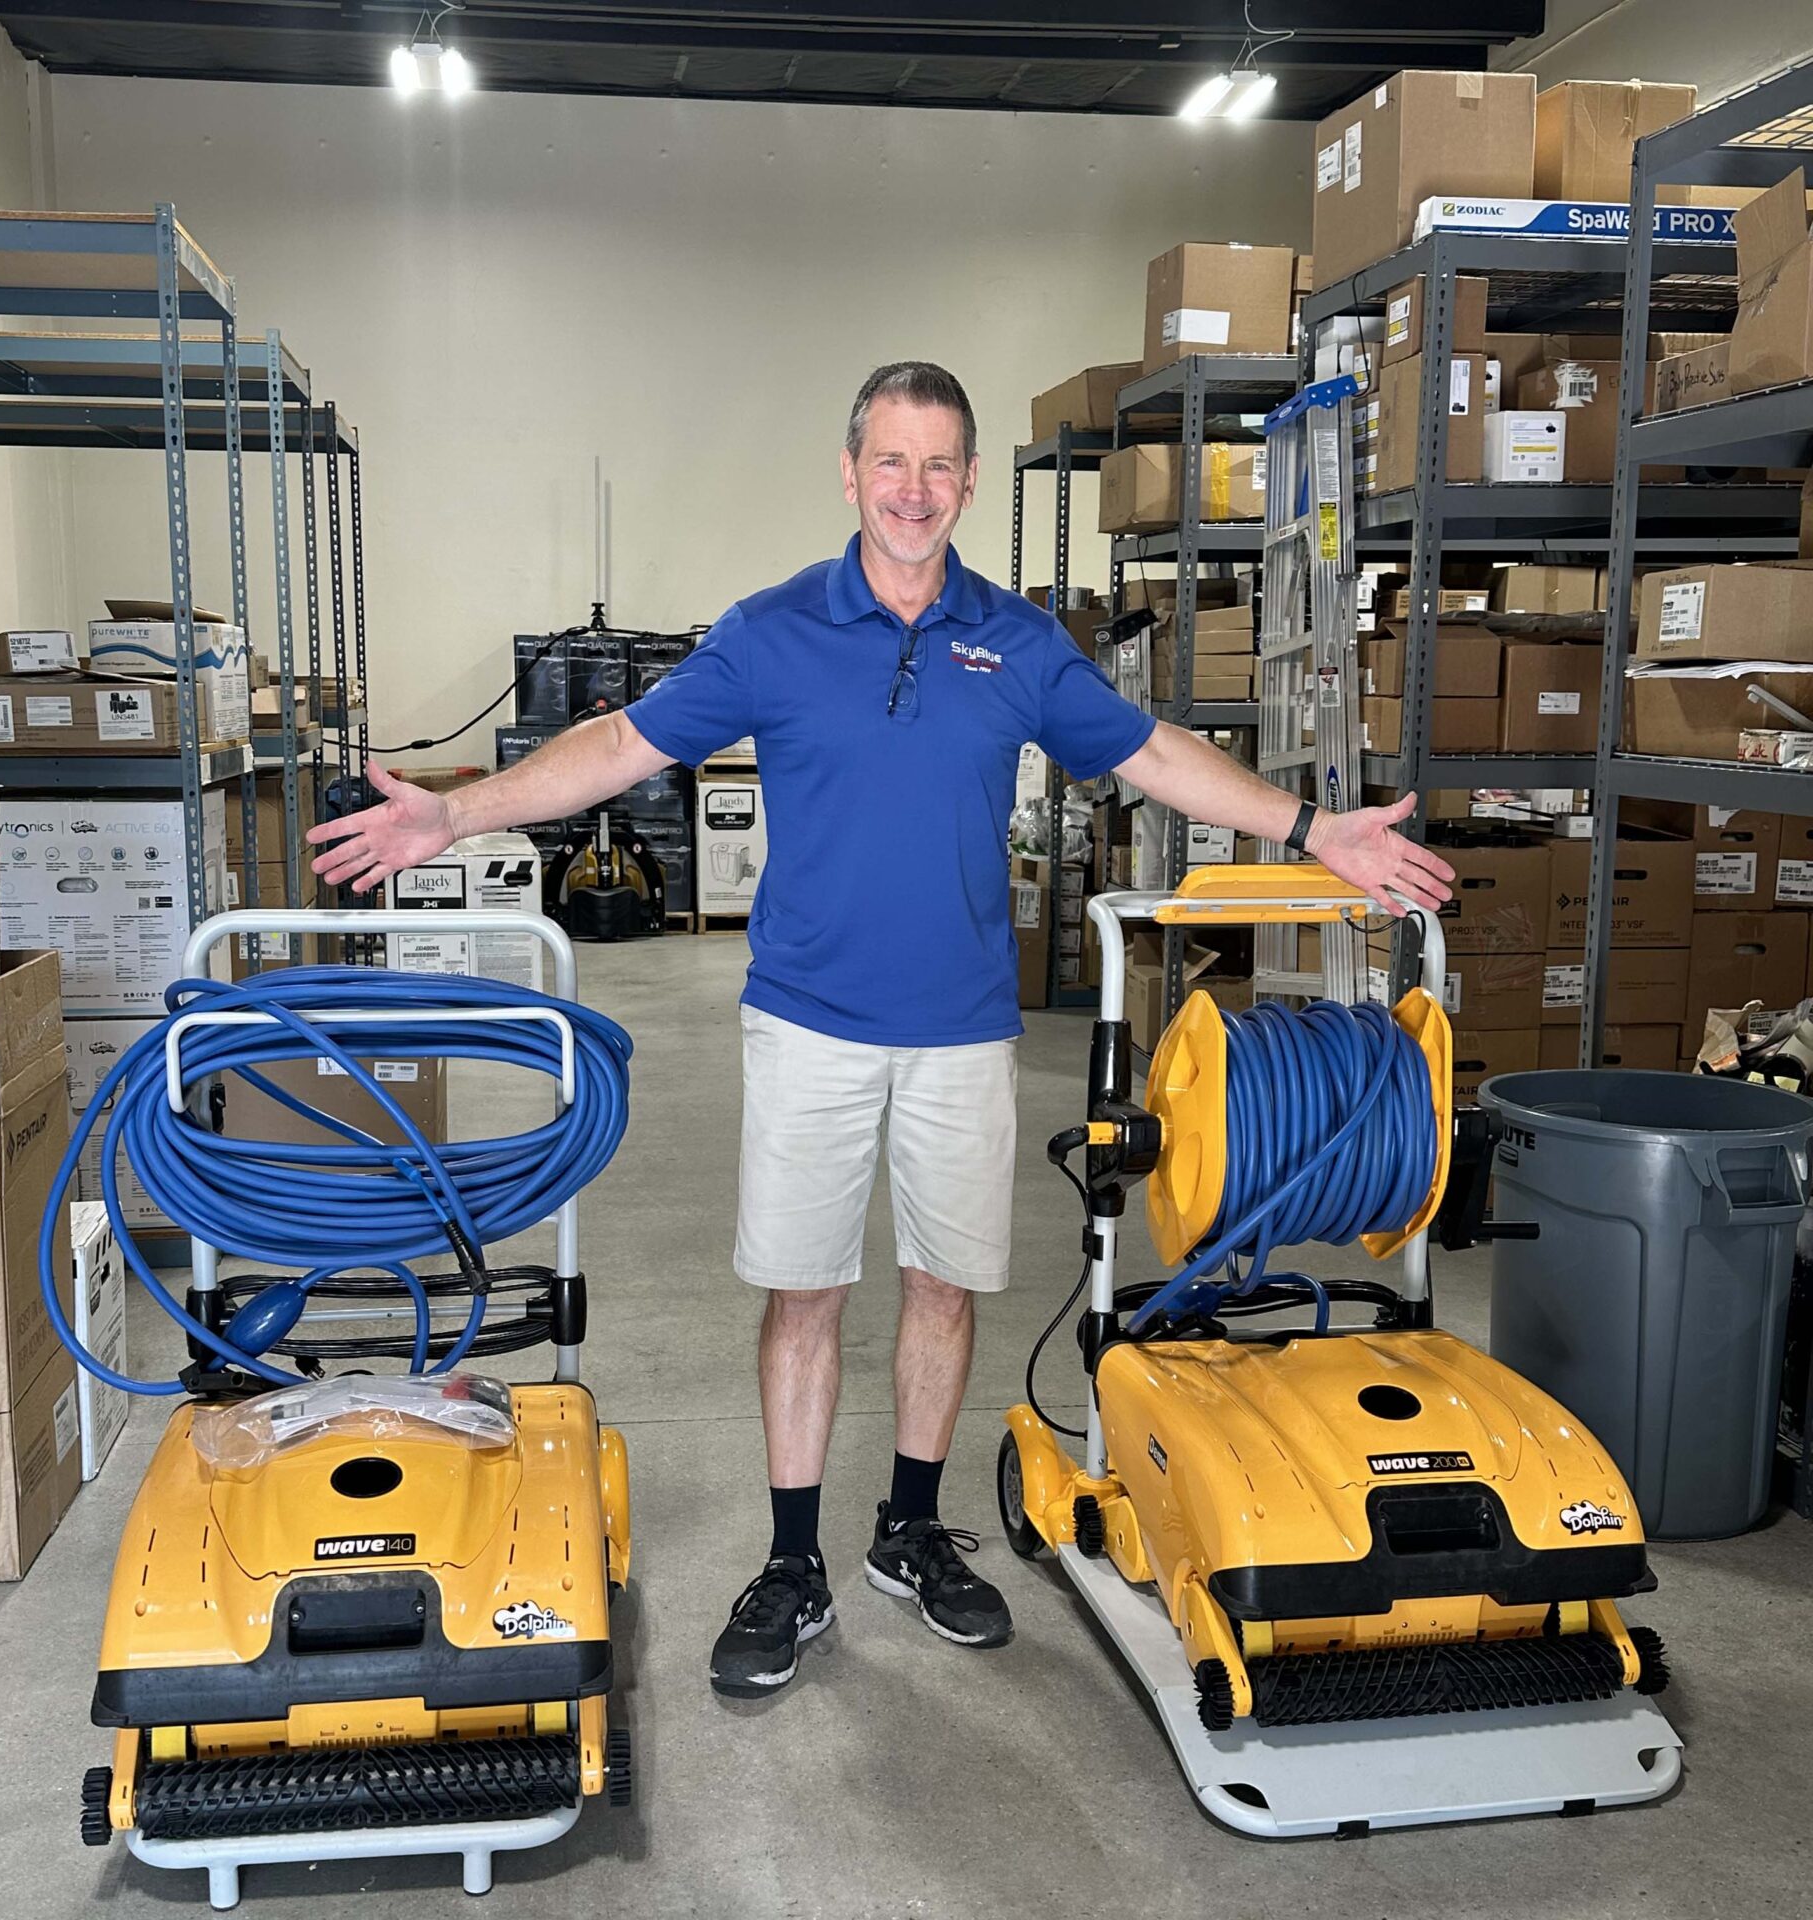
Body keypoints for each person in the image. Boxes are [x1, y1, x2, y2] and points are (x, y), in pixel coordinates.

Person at [308, 361, 1455, 1701]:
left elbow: (1148, 750)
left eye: (938, 466)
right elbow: (623, 744)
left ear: (967, 483)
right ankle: (793, 1562)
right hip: (810, 1024)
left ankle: (909, 1530)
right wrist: (459, 812)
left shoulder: (1018, 642)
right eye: (890, 463)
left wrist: (1315, 829)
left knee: (944, 1286)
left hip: (964, 1030)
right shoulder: (773, 629)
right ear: (849, 474)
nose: (914, 490)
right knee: (805, 1292)